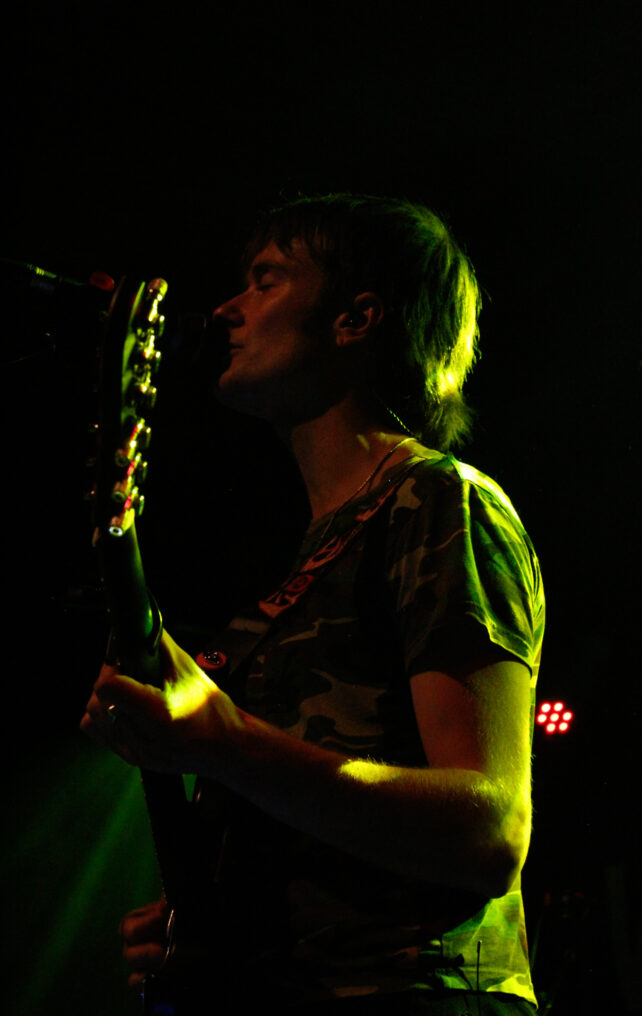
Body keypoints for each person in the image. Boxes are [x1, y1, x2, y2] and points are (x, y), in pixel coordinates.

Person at [82, 194, 545, 1015]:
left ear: (355, 318)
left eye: (266, 280)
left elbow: (489, 831)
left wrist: (225, 744)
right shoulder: (311, 550)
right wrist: (214, 916)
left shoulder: (441, 500)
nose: (227, 308)